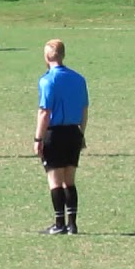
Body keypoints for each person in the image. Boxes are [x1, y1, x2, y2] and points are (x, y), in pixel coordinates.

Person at [34, 39, 89, 235]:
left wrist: (38, 139)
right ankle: (72, 224)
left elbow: (44, 111)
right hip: (74, 132)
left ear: (48, 56)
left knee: (55, 181)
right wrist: (81, 133)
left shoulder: (47, 80)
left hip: (54, 133)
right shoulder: (79, 78)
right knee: (70, 180)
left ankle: (59, 224)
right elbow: (84, 109)